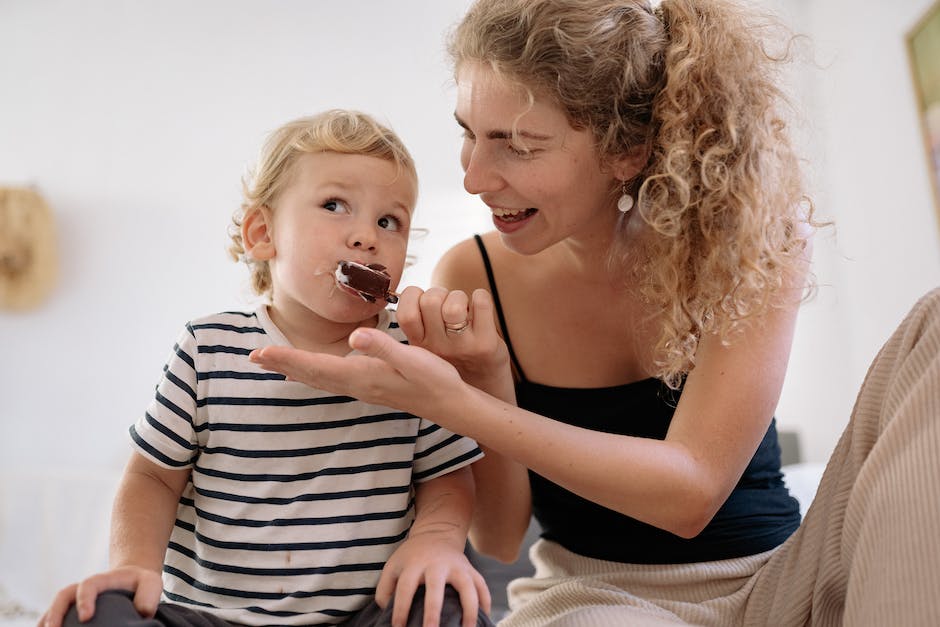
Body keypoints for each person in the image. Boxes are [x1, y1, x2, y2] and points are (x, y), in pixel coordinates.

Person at [247, 1, 940, 626]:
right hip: (599, 601)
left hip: (783, 580)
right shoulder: (474, 273)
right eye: (469, 133)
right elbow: (495, 536)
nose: (474, 177)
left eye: (515, 145)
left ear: (625, 151)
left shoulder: (749, 239)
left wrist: (455, 404)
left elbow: (691, 490)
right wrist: (485, 374)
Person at [39, 110, 495, 627]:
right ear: (262, 233)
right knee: (94, 615)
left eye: (389, 221)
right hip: (211, 617)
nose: (367, 236)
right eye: (335, 205)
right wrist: (132, 567)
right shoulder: (207, 347)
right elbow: (152, 477)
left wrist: (435, 544)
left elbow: (448, 479)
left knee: (452, 606)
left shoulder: (411, 356)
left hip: (362, 618)